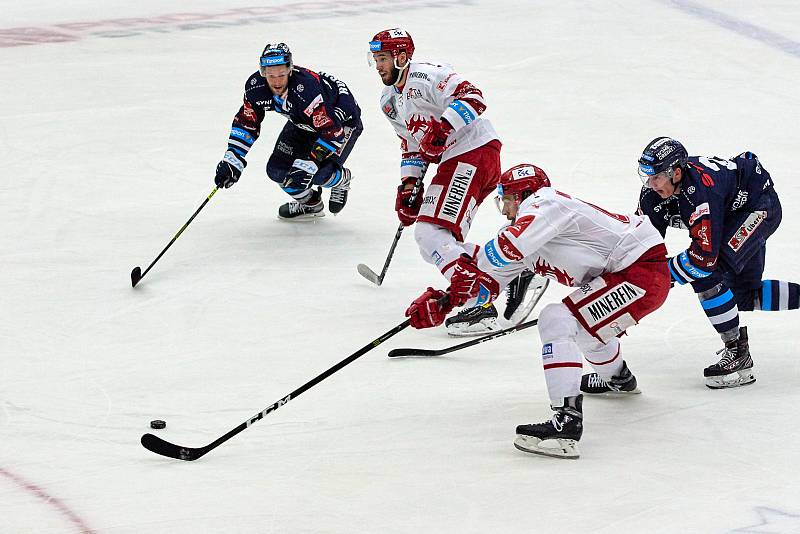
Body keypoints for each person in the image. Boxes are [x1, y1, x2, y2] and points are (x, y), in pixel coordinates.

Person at [404, 164, 671, 459]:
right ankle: (619, 378)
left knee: (557, 319)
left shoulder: (547, 203)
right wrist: (445, 302)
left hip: (642, 271)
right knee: (583, 328)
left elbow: (506, 248)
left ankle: (566, 424)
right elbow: (489, 279)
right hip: (631, 276)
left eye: (505, 199)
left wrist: (460, 284)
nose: (504, 210)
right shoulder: (528, 233)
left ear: (522, 194)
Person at [369, 28, 545, 335]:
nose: (378, 65)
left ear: (400, 57)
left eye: (383, 58)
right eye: (375, 59)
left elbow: (474, 98)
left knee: (430, 233)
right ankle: (514, 269)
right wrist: (409, 187)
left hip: (473, 151)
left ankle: (482, 304)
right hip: (459, 159)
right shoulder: (388, 102)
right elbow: (412, 146)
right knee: (434, 242)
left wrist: (442, 128)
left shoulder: (425, 76)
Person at [635, 137, 798, 389]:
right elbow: (641, 245)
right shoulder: (652, 194)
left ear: (676, 173)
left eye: (656, 177)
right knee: (742, 296)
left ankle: (738, 353)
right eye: (646, 176)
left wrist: (662, 276)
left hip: (757, 209)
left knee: (704, 274)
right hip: (731, 212)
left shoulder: (700, 193)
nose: (650, 184)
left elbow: (703, 260)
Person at [214, 43, 363, 220]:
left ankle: (342, 179)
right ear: (263, 73)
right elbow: (247, 122)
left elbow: (332, 131)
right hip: (303, 121)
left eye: (281, 75)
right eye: (270, 75)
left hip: (341, 123)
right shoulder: (256, 87)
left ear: (290, 70)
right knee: (277, 170)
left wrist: (311, 161)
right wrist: (233, 156)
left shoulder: (305, 90)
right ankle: (311, 205)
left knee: (318, 174)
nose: (276, 82)